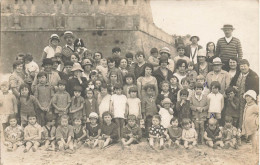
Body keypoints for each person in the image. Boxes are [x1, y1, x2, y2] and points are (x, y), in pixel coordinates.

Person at [230, 59, 259, 129]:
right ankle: (237, 131)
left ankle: (245, 134)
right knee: (236, 116)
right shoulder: (238, 74)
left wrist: (249, 97)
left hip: (248, 100)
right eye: (241, 66)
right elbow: (231, 84)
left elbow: (256, 90)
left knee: (246, 116)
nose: (243, 68)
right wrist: (233, 87)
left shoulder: (254, 76)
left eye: (244, 66)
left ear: (248, 66)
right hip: (237, 100)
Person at [241, 90, 259, 154]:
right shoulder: (247, 105)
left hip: (253, 124)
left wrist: (257, 121)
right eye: (246, 97)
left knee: (253, 138)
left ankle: (254, 150)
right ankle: (255, 149)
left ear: (253, 98)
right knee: (251, 138)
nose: (247, 98)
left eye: (249, 97)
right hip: (247, 125)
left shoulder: (255, 106)